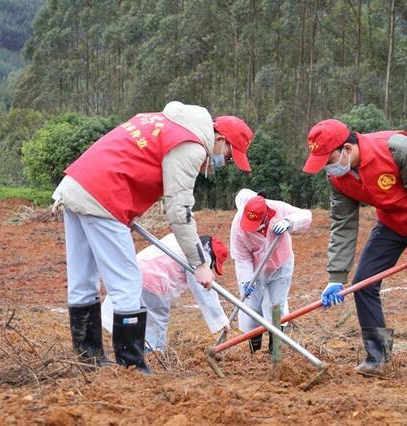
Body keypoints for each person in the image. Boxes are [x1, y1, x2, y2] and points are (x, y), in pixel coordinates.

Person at [52, 101, 253, 374]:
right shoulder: (192, 145)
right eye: (229, 156)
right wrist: (200, 263)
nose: (224, 163)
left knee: (83, 280)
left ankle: (89, 359)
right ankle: (132, 367)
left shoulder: (165, 121)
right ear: (220, 139)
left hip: (77, 184)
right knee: (128, 283)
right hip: (104, 196)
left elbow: (134, 160)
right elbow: (179, 211)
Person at [302, 119, 407, 376]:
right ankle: (378, 357)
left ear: (346, 149)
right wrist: (336, 277)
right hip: (392, 222)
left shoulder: (397, 148)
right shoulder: (338, 179)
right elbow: (343, 225)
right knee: (363, 283)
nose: (327, 168)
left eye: (328, 160)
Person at [101, 233, 230, 352]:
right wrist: (221, 321)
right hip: (153, 280)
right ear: (212, 256)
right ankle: (152, 356)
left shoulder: (181, 238)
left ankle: (129, 349)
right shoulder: (200, 256)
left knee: (132, 315)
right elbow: (203, 291)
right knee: (155, 326)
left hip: (134, 271)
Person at [231, 189, 312, 354]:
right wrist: (246, 279)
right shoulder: (238, 225)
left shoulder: (277, 208)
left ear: (266, 213)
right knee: (251, 308)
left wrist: (289, 222)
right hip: (254, 270)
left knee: (275, 305)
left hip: (281, 264)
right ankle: (254, 351)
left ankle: (274, 350)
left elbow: (305, 215)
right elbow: (241, 256)